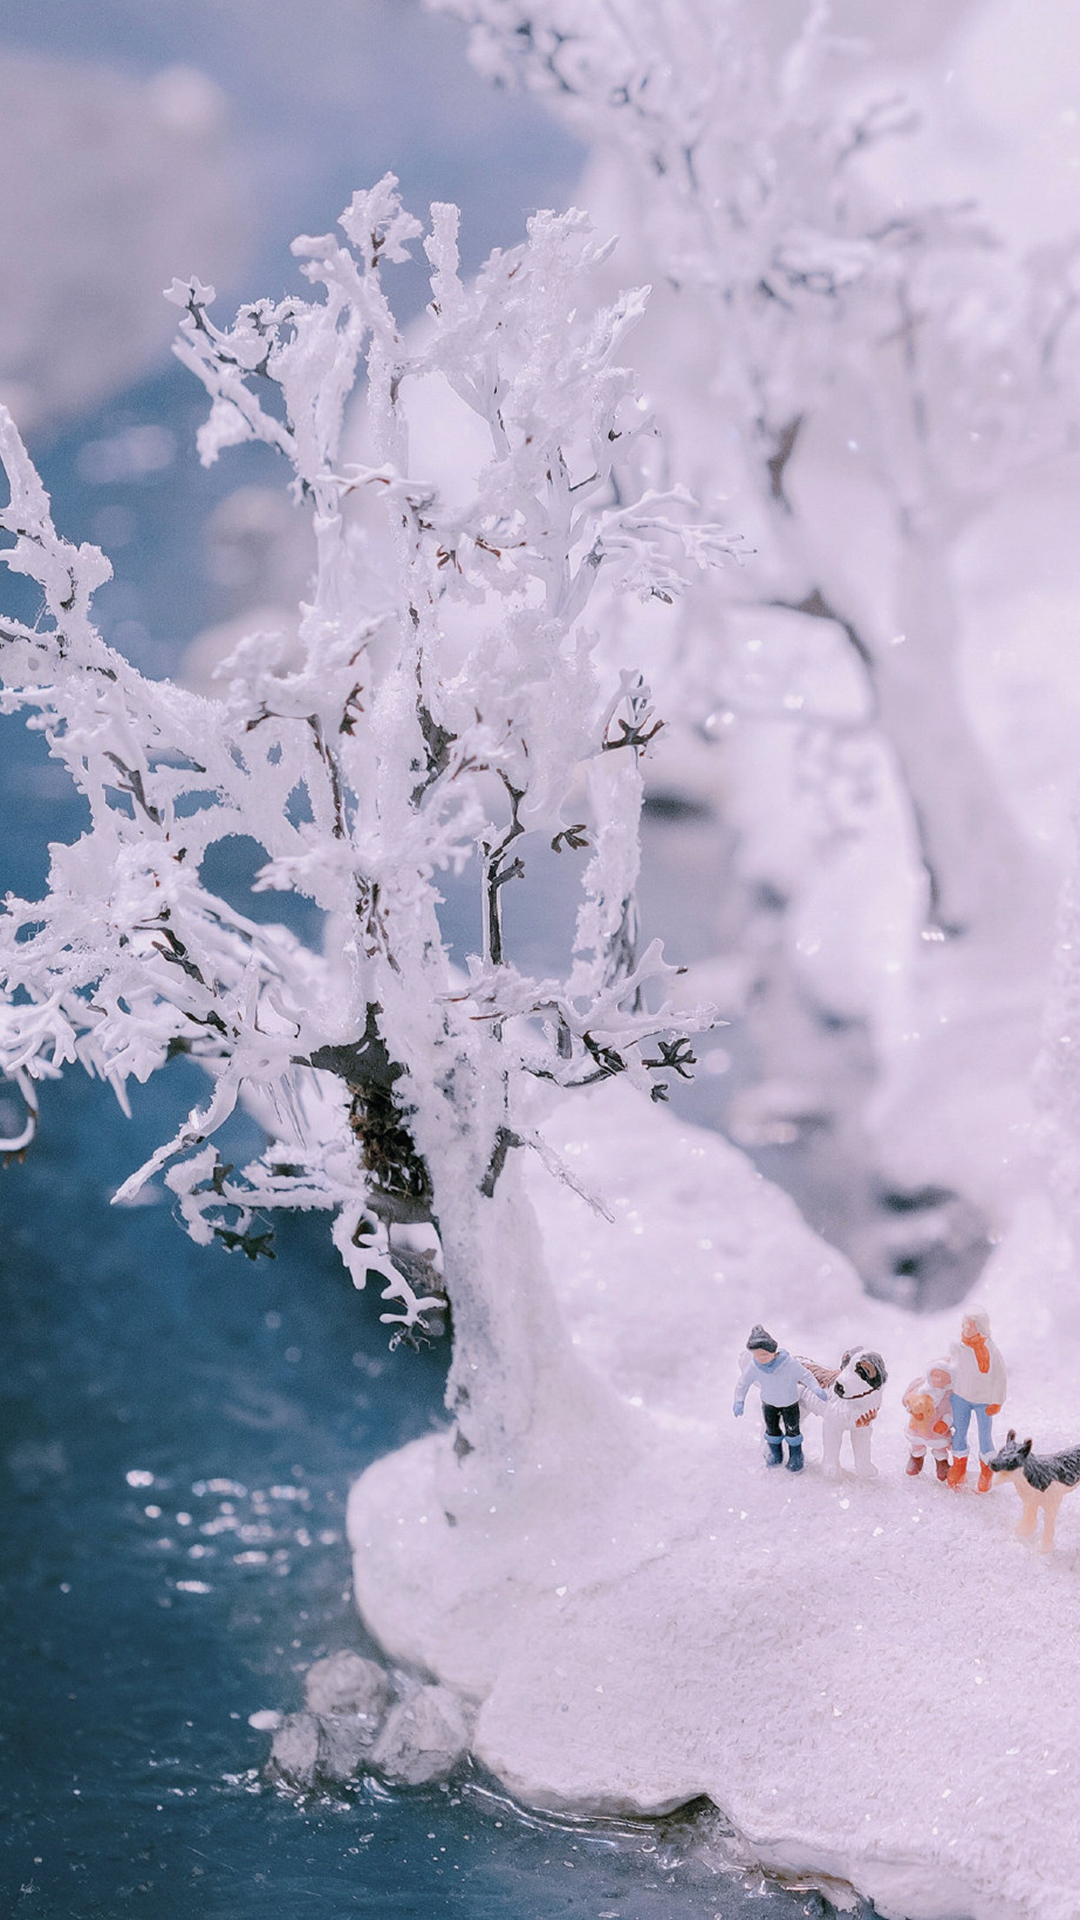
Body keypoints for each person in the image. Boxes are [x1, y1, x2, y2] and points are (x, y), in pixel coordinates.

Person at [733, 1324, 828, 1473]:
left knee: (793, 1431)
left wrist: (815, 1388)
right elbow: (743, 1383)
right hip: (769, 1404)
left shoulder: (788, 1363)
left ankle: (796, 1457)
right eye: (757, 1355)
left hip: (789, 1404)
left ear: (772, 1350)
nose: (761, 1358)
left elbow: (805, 1374)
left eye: (764, 1354)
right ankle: (775, 1454)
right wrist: (739, 1400)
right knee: (772, 1431)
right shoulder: (755, 1366)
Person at [946, 1307, 1006, 1492]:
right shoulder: (958, 1346)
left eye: (969, 1325)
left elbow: (999, 1376)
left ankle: (987, 1470)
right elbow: (952, 1368)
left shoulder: (990, 1349)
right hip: (961, 1396)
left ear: (980, 1326)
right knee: (959, 1431)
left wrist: (997, 1400)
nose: (965, 1328)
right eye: (964, 1324)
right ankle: (959, 1465)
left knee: (985, 1436)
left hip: (984, 1399)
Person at [903, 1360, 953, 1480]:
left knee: (939, 1447)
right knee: (917, 1443)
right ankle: (916, 1458)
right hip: (918, 1426)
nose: (939, 1380)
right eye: (936, 1376)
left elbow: (953, 1412)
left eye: (943, 1378)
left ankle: (941, 1463)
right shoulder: (920, 1387)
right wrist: (912, 1410)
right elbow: (907, 1399)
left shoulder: (950, 1395)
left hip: (937, 1428)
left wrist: (945, 1422)